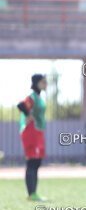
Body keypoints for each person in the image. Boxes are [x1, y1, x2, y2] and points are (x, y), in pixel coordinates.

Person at [17, 74, 47, 202]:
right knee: (32, 162)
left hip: (38, 132)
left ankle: (34, 192)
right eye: (44, 82)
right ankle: (31, 193)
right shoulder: (32, 96)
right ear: (37, 83)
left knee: (37, 162)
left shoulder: (39, 97)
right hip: (31, 132)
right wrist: (28, 115)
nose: (46, 84)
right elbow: (21, 105)